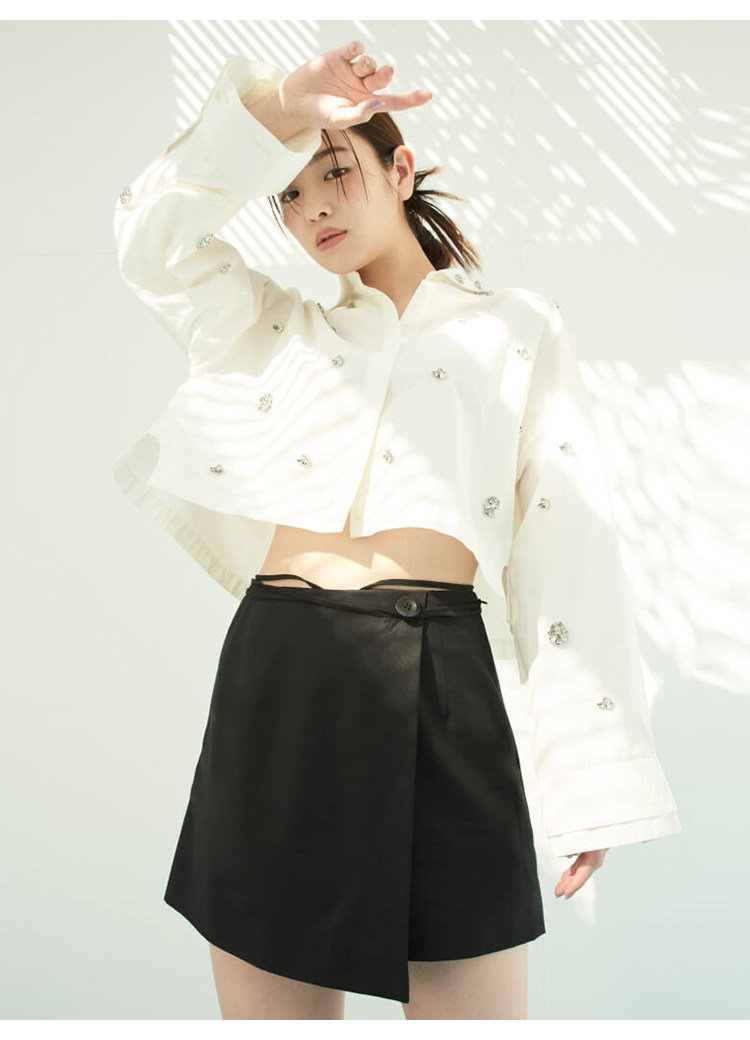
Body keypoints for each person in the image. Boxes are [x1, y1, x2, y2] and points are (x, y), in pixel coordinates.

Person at [111, 40, 681, 1020]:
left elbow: (566, 550)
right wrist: (282, 110)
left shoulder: (514, 330)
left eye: (335, 172)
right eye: (289, 195)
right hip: (280, 679)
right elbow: (148, 238)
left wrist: (593, 778)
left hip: (444, 687)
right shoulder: (265, 327)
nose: (313, 210)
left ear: (400, 168)